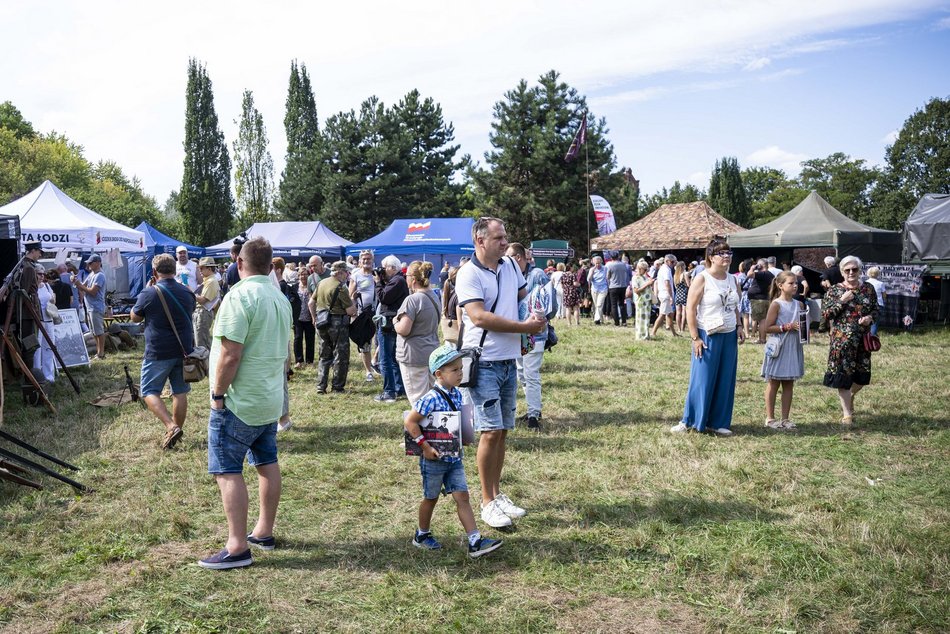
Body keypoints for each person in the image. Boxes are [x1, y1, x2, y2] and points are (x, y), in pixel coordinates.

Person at [200, 236, 292, 570]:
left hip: (239, 401)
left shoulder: (239, 297)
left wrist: (217, 395)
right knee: (267, 462)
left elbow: (230, 354)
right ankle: (263, 531)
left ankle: (237, 546)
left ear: (239, 262)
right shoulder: (279, 297)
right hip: (268, 399)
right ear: (270, 265)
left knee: (226, 470)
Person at [455, 217, 545, 528]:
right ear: (480, 241)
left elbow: (520, 296)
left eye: (506, 237)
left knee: (503, 430)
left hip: (508, 359)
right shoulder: (468, 273)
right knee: (489, 431)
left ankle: (496, 493)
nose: (505, 243)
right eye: (498, 238)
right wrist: (524, 327)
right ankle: (486, 502)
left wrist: (540, 308)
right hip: (483, 361)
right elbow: (478, 317)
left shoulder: (509, 266)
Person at [405, 344, 504, 558]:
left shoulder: (458, 394)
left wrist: (465, 437)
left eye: (461, 368)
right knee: (430, 498)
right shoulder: (430, 399)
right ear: (439, 374)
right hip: (433, 460)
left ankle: (475, 541)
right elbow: (410, 423)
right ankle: (421, 534)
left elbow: (459, 421)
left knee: (463, 497)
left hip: (454, 458)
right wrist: (425, 447)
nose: (460, 373)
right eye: (455, 370)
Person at [671, 240, 744, 435]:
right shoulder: (702, 278)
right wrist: (695, 337)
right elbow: (691, 309)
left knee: (725, 378)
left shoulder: (733, 279)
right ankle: (690, 420)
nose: (727, 256)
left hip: (728, 334)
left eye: (729, 252)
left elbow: (734, 305)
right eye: (722, 253)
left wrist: (739, 325)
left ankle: (718, 422)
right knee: (702, 379)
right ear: (711, 257)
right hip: (707, 334)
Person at [130, 254, 197, 450]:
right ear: (175, 271)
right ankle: (176, 431)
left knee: (149, 391)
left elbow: (134, 317)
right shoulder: (187, 292)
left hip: (158, 350)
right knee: (180, 391)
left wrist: (146, 289)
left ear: (154, 272)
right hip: (184, 350)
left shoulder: (148, 293)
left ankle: (171, 426)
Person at [821, 256, 878, 426]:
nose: (851, 273)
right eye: (847, 270)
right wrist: (841, 301)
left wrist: (870, 318)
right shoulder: (835, 291)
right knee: (843, 377)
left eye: (854, 269)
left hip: (863, 340)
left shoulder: (868, 289)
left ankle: (850, 396)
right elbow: (826, 314)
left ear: (860, 270)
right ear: (842, 272)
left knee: (861, 378)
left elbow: (875, 310)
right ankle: (847, 415)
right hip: (842, 341)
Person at [507, 243, 551, 430]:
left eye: (509, 257)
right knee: (522, 374)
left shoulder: (537, 274)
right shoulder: (514, 276)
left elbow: (550, 302)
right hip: (517, 333)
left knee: (531, 373)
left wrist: (543, 321)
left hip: (533, 335)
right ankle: (533, 409)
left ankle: (534, 414)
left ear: (518, 257)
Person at [761, 272, 805, 430]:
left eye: (796, 283)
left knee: (788, 383)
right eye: (791, 283)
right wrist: (786, 326)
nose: (795, 286)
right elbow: (767, 327)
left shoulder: (799, 304)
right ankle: (771, 418)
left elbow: (802, 324)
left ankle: (785, 419)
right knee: (774, 383)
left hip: (793, 345)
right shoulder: (776, 304)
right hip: (779, 345)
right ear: (780, 286)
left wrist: (804, 331)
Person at [394, 261, 441, 406]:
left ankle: (422, 428)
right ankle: (435, 427)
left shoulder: (412, 300)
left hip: (413, 355)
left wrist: (395, 322)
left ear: (413, 279)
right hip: (431, 351)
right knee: (432, 396)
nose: (405, 278)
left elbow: (404, 329)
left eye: (406, 275)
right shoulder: (434, 296)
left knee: (418, 400)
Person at [310, 260, 357, 394]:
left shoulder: (321, 283)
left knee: (324, 355)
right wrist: (353, 300)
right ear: (340, 273)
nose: (347, 275)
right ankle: (337, 386)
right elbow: (350, 311)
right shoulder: (341, 287)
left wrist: (314, 318)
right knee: (340, 355)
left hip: (321, 321)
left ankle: (321, 386)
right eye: (346, 273)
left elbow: (310, 303)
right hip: (337, 322)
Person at [375, 254, 410, 403]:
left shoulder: (397, 281)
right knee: (394, 358)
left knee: (385, 359)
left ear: (393, 268)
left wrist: (378, 282)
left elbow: (383, 297)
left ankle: (389, 392)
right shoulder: (398, 280)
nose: (383, 270)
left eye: (385, 267)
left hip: (388, 324)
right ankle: (399, 388)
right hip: (393, 322)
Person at [349, 250, 378, 382]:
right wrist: (353, 302)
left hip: (378, 312)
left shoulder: (377, 274)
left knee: (381, 340)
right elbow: (351, 296)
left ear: (372, 260)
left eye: (369, 259)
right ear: (360, 261)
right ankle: (368, 371)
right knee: (365, 343)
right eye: (364, 259)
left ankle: (376, 360)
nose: (366, 261)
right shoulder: (356, 275)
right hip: (363, 313)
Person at [73, 254, 107, 360]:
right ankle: (98, 352)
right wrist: (76, 282)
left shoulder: (100, 275)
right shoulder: (92, 273)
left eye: (90, 263)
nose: (88, 265)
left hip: (96, 307)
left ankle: (101, 354)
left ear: (98, 263)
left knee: (99, 332)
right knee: (94, 332)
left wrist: (80, 285)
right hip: (90, 307)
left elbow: (92, 291)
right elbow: (83, 286)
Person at [33, 267, 57, 384]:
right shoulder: (31, 287)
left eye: (43, 274)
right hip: (37, 321)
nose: (42, 276)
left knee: (49, 347)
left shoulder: (47, 286)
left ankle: (49, 375)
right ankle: (37, 376)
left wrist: (53, 300)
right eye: (39, 273)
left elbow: (53, 299)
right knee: (37, 349)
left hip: (48, 320)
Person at [193, 257, 220, 350]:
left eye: (201, 268)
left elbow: (202, 300)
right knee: (202, 340)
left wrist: (189, 292)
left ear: (209, 268)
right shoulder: (208, 280)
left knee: (201, 343)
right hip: (201, 313)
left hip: (203, 312)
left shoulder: (211, 281)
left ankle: (205, 363)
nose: (199, 271)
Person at [747, 259, 775, 343]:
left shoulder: (763, 273)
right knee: (763, 320)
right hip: (765, 299)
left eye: (757, 265)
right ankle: (761, 338)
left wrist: (752, 268)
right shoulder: (770, 274)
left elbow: (749, 274)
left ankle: (762, 339)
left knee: (761, 320)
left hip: (759, 300)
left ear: (761, 265)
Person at [651, 254, 679, 338]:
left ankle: (674, 333)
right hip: (666, 295)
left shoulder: (664, 269)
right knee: (662, 314)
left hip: (665, 294)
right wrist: (670, 296)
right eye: (672, 262)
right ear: (667, 261)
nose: (674, 264)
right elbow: (667, 283)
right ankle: (653, 332)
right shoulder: (666, 270)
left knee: (670, 314)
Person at [293, 272, 315, 367]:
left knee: (310, 339)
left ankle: (309, 361)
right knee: (298, 338)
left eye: (305, 274)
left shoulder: (312, 287)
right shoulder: (294, 287)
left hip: (309, 317)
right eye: (301, 275)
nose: (303, 276)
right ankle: (299, 360)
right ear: (298, 276)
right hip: (298, 318)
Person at [818, 255, 843, 333]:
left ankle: (823, 327)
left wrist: (823, 283)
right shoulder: (841, 270)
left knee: (826, 311)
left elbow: (828, 284)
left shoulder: (826, 271)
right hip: (843, 293)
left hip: (832, 294)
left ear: (827, 264)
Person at [606, 252, 631, 327]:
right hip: (622, 286)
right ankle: (624, 321)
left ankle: (616, 322)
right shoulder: (623, 265)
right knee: (622, 304)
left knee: (614, 305)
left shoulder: (609, 265)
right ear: (618, 257)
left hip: (613, 286)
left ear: (611, 257)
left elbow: (608, 277)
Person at [631, 260, 654, 340]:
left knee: (647, 319)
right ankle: (640, 336)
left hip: (647, 301)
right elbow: (636, 290)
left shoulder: (646, 277)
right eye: (639, 268)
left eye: (643, 269)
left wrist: (651, 283)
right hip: (640, 301)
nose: (641, 270)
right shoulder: (635, 278)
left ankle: (646, 335)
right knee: (640, 319)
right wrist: (647, 284)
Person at [586, 256, 608, 324]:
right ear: (593, 263)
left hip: (603, 289)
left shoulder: (605, 268)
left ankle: (596, 319)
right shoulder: (592, 269)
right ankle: (601, 320)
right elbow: (588, 280)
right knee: (597, 306)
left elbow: (608, 278)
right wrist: (592, 272)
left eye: (599, 263)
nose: (597, 265)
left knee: (599, 304)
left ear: (601, 262)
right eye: (596, 263)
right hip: (594, 289)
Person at [736, 258, 753, 340]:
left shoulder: (739, 276)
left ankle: (745, 332)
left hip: (742, 295)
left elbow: (738, 287)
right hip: (750, 295)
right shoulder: (751, 275)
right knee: (750, 316)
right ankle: (751, 332)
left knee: (744, 316)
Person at [865, 267, 886, 336]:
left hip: (867, 304)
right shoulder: (881, 283)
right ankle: (872, 338)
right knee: (875, 323)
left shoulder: (865, 283)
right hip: (878, 304)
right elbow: (884, 296)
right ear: (878, 274)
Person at [673, 261, 689, 332]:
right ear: (683, 266)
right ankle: (682, 329)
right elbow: (688, 285)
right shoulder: (684, 274)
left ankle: (678, 329)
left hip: (678, 295)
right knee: (684, 312)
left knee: (678, 313)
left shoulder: (675, 275)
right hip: (684, 294)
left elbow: (675, 286)